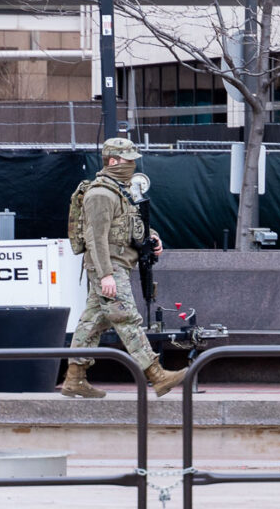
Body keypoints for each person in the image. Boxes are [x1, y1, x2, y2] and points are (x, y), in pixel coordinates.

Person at [60, 137, 187, 398]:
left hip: (119, 264)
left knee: (92, 322)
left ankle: (74, 378)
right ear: (114, 161)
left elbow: (132, 225)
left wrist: (153, 238)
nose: (132, 165)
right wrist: (106, 274)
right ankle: (157, 375)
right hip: (109, 267)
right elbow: (95, 238)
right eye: (128, 160)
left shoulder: (121, 191)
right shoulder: (100, 194)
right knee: (127, 317)